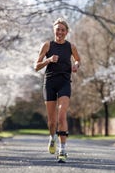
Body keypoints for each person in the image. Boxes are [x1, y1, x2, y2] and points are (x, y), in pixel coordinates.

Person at [35, 18, 81, 163]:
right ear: (54, 30)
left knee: (61, 115)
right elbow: (36, 66)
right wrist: (48, 60)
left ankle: (63, 150)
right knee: (52, 121)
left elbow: (78, 60)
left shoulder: (71, 47)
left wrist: (76, 66)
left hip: (64, 83)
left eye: (63, 30)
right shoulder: (47, 45)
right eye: (58, 29)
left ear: (66, 32)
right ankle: (52, 137)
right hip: (49, 83)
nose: (60, 32)